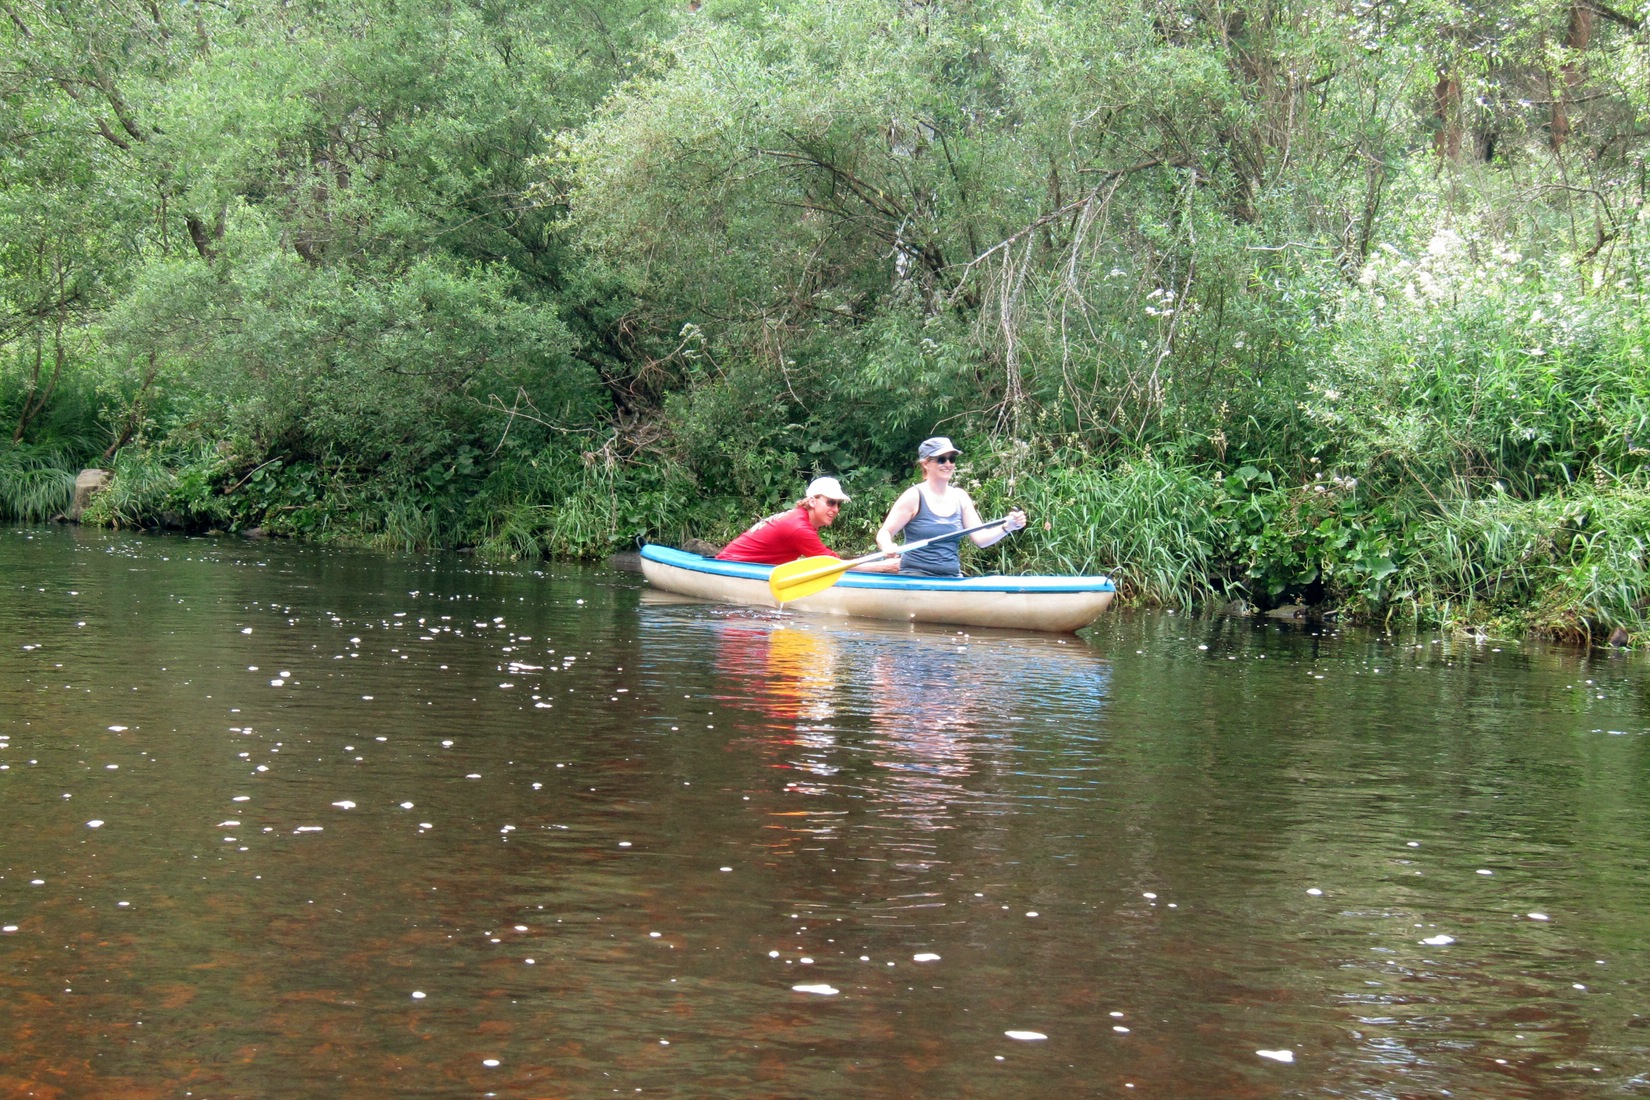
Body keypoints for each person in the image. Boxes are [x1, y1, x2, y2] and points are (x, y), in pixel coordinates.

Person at [875, 437, 1027, 577]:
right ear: (926, 464)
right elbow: (884, 532)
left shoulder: (960, 497)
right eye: (941, 459)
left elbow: (981, 539)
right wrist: (887, 545)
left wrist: (1008, 527)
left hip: (951, 577)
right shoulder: (914, 496)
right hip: (916, 577)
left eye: (952, 459)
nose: (948, 464)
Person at [717, 477, 901, 571]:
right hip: (732, 567)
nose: (836, 509)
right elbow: (834, 565)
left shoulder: (800, 519)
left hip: (741, 565)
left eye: (839, 504)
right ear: (812, 501)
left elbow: (828, 562)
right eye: (831, 502)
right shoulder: (799, 528)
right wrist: (884, 566)